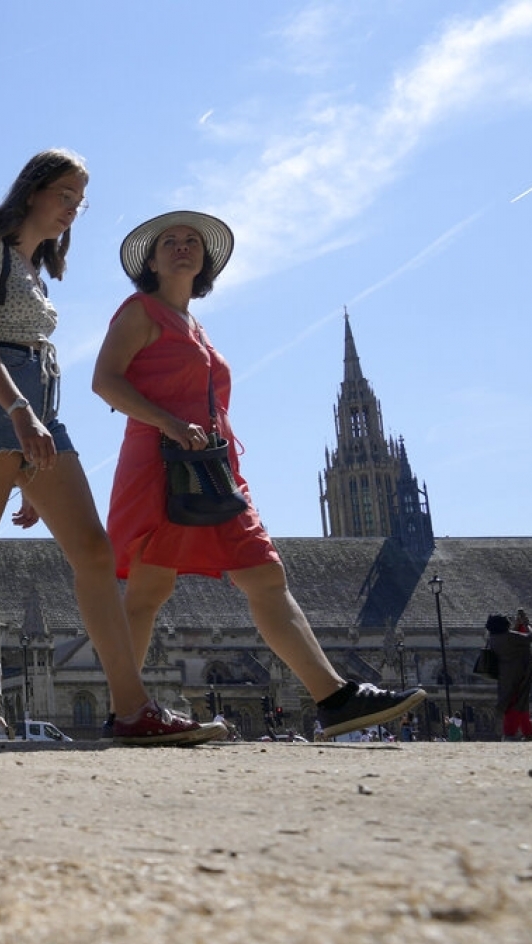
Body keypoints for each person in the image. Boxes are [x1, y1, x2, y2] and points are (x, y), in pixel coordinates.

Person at [0, 150, 222, 746]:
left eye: (80, 201)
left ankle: (132, 708)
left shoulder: (34, 267)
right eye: (65, 195)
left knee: (93, 553)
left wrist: (32, 452)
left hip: (42, 412)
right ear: (32, 191)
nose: (72, 210)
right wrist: (20, 414)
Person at [91, 210, 428, 740]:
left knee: (264, 573)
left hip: (214, 467)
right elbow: (105, 382)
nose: (183, 248)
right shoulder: (139, 312)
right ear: (152, 260)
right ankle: (128, 710)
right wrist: (169, 423)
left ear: (204, 261)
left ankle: (333, 696)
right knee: (148, 589)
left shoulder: (195, 326)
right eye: (171, 242)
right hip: (160, 463)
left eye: (193, 242)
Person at [487, 612, 532, 741]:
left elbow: (515, 637)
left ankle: (528, 732)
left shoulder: (493, 638)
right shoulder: (509, 636)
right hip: (519, 674)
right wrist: (527, 625)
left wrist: (517, 625)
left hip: (506, 675)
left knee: (519, 702)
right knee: (516, 704)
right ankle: (509, 733)